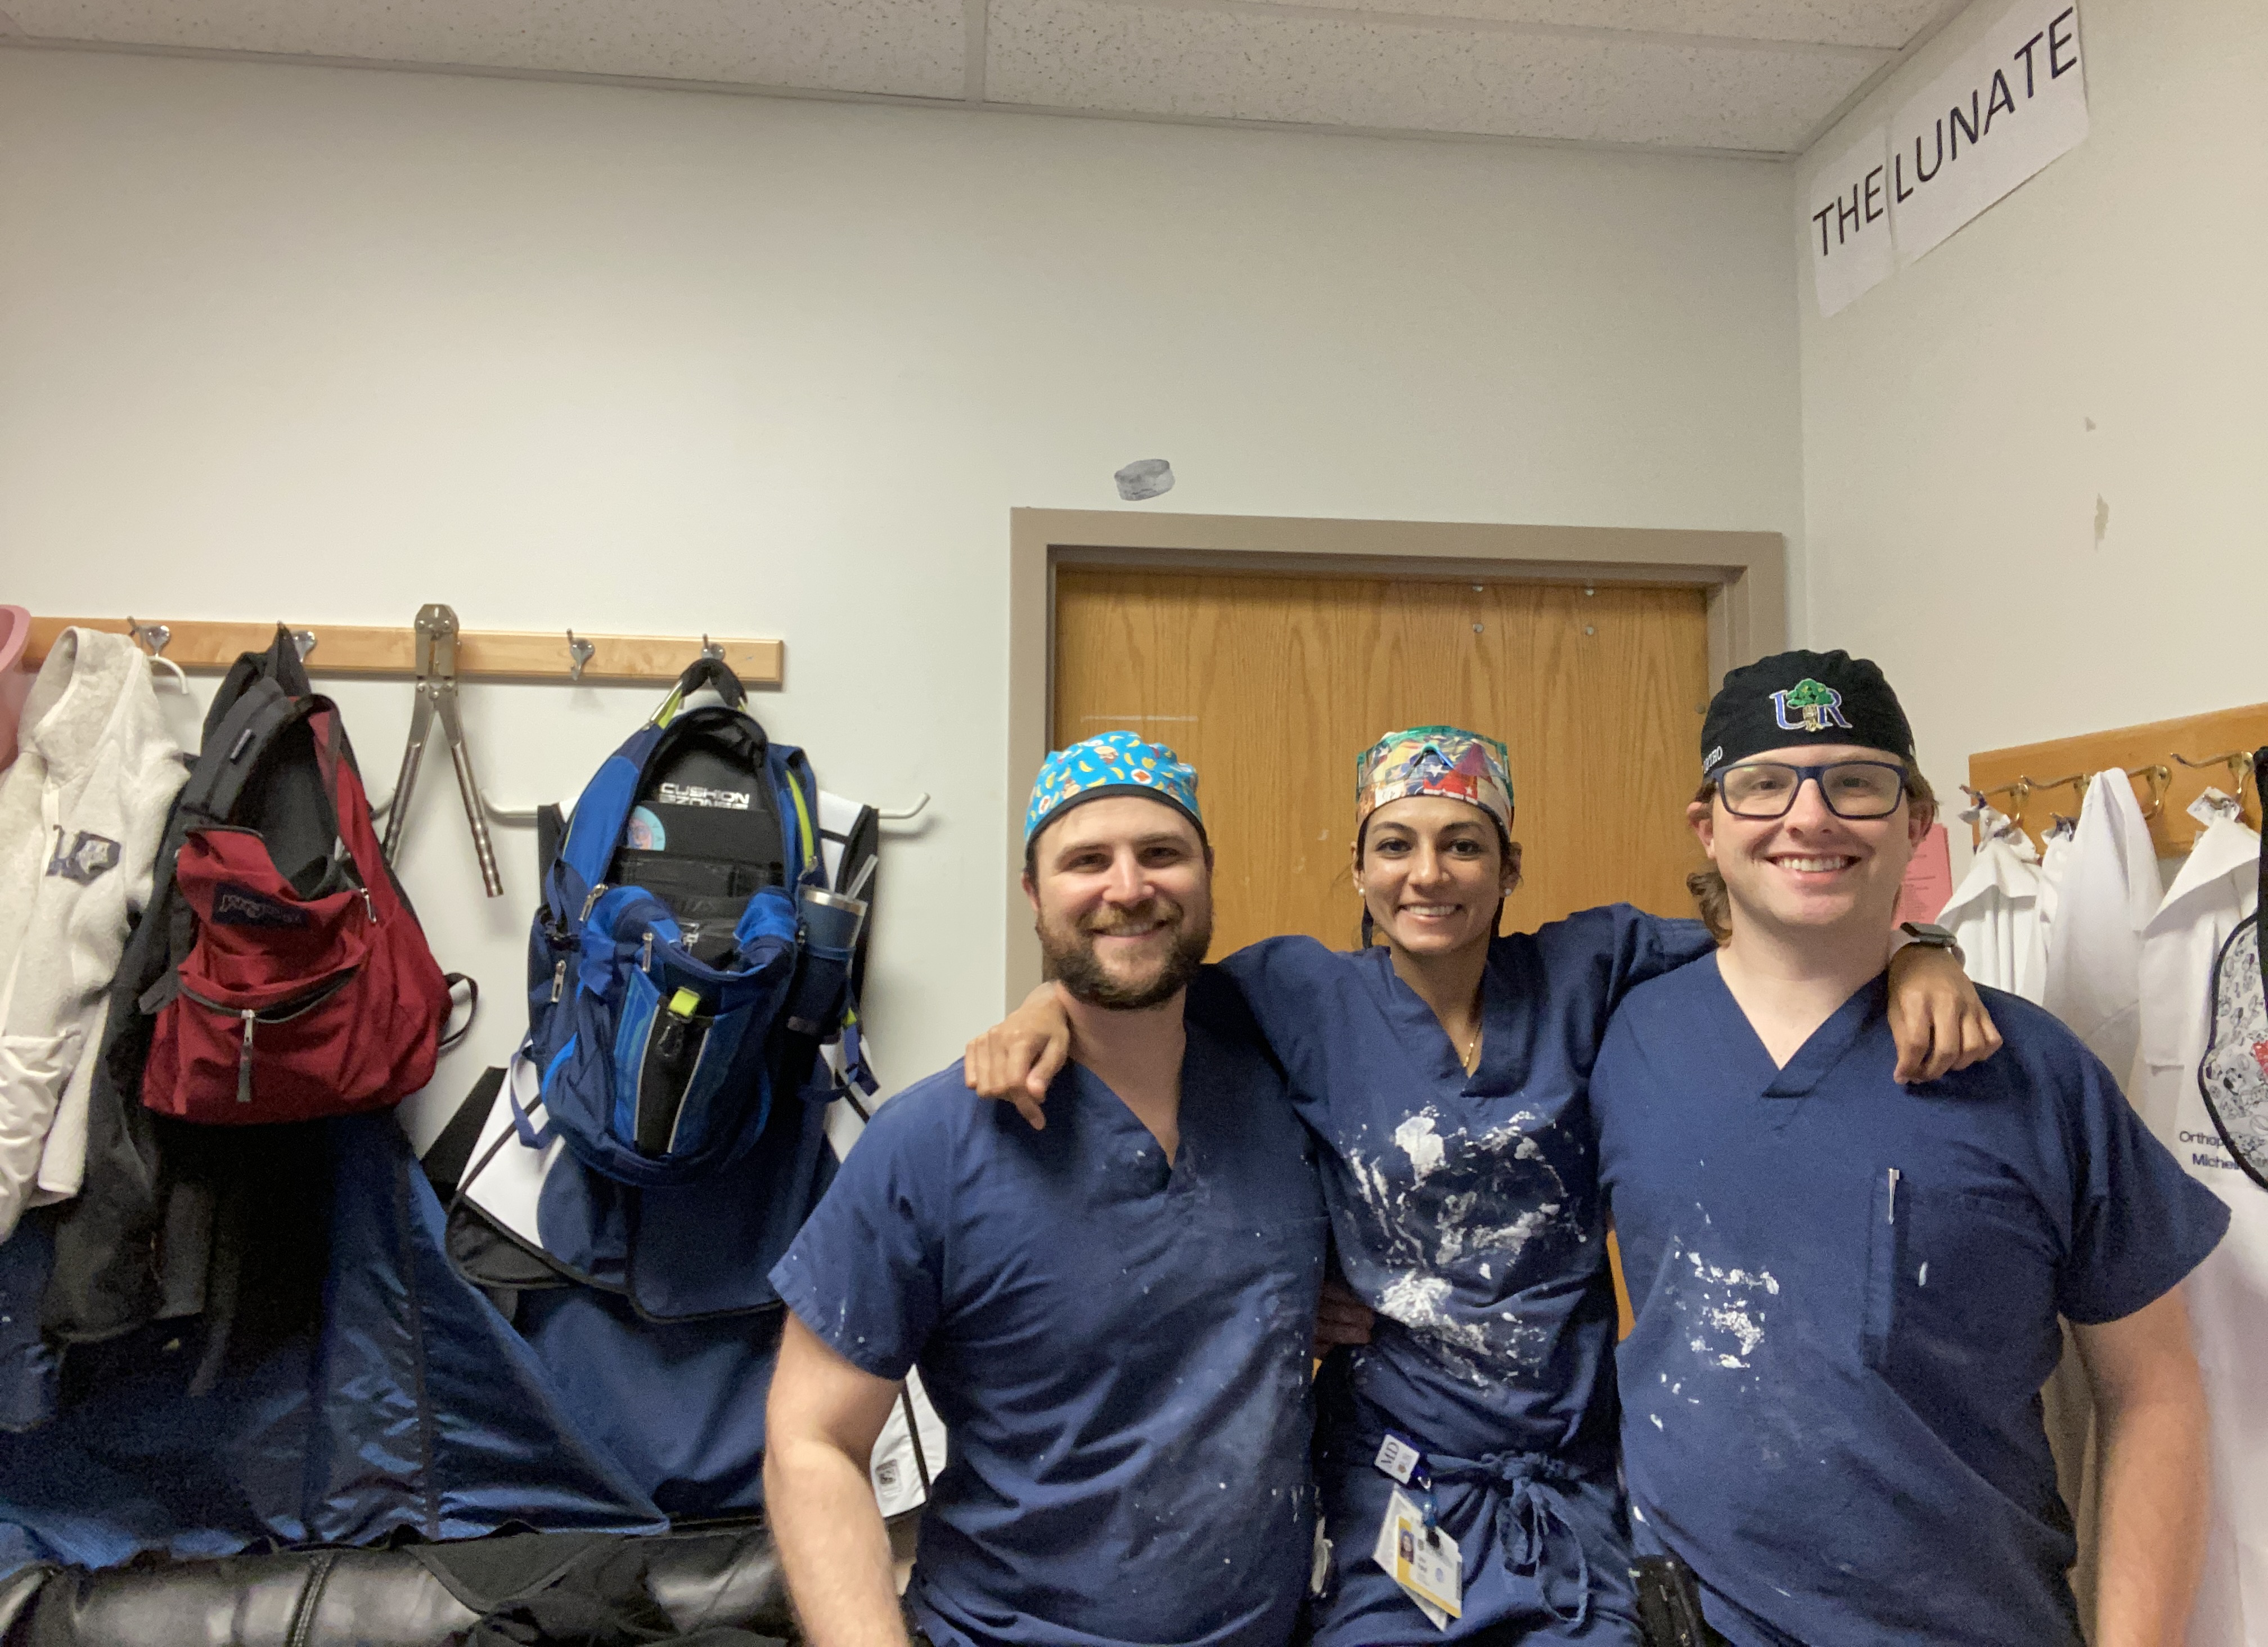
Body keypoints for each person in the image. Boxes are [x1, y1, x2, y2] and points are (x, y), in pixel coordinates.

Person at [965, 724, 1995, 1643]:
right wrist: (1041, 1007)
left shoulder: (1593, 967)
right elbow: (1134, 986)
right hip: (1390, 1474)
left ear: (1510, 867)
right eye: (1395, 846)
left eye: (1463, 844)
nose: (1429, 875)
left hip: (1574, 1474)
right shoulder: (1294, 993)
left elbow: (1786, 941)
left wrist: (1920, 950)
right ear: (1359, 868)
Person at [1592, 650, 2230, 1647]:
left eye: (1856, 782)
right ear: (1708, 826)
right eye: (1764, 784)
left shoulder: (2031, 1071)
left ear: (1918, 820)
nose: (1810, 818)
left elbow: (2153, 1390)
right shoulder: (1621, 1036)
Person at [764, 734, 1331, 1647]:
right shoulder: (933, 1144)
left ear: (1207, 876)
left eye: (1161, 853)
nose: (1128, 888)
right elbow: (812, 1441)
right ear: (1033, 894)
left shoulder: (1291, 1095)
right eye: (1086, 862)